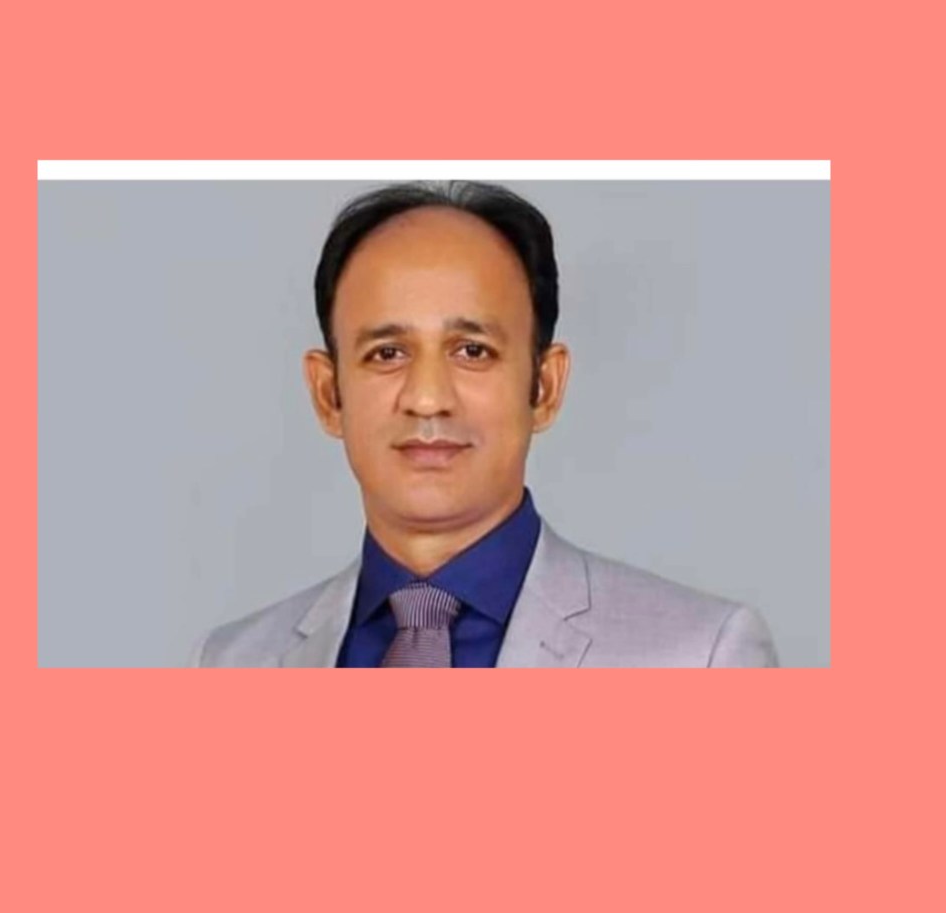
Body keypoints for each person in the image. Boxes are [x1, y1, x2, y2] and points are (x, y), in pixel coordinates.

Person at [192, 182, 778, 668]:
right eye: (387, 353)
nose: (427, 399)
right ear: (328, 394)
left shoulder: (702, 656)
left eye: (472, 351)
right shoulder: (231, 662)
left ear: (545, 386)